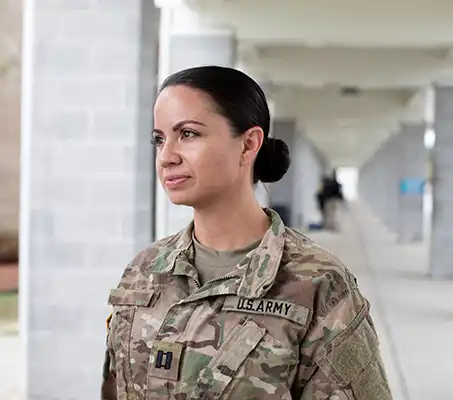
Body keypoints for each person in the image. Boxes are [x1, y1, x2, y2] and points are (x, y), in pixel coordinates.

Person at [101, 66, 393, 400]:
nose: (166, 157)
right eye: (159, 139)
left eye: (188, 134)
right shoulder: (144, 271)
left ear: (248, 144)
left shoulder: (318, 285)